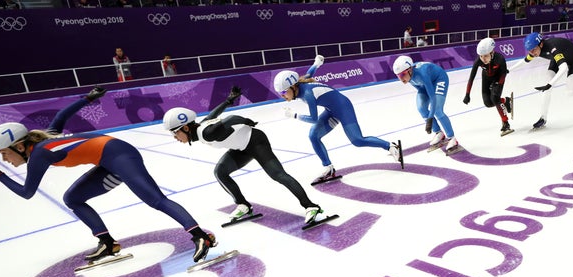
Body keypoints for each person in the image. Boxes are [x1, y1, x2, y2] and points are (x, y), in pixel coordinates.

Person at [0, 86, 217, 264]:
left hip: (120, 155)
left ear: (19, 146)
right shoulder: (44, 139)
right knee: (73, 199)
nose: (5, 160)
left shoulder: (39, 153)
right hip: (108, 160)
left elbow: (27, 192)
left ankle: (200, 236)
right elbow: (60, 118)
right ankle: (108, 243)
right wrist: (86, 99)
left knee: (156, 199)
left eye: (4, 153)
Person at [163, 87, 325, 225]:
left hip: (255, 142)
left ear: (185, 127)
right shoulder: (201, 128)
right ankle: (243, 205)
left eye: (174, 132)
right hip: (240, 147)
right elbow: (213, 115)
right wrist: (228, 101)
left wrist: (246, 120)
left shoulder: (207, 133)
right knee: (220, 172)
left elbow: (231, 118)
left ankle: (310, 206)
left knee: (277, 174)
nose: (175, 137)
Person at [273, 55, 402, 184]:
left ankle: (391, 146)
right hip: (331, 111)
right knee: (313, 135)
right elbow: (309, 73)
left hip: (343, 108)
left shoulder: (308, 94)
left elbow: (313, 119)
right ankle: (328, 168)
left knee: (357, 140)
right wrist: (317, 63)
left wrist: (294, 115)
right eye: (280, 94)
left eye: (284, 92)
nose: (283, 96)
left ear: (293, 86)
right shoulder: (300, 83)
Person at [511, 32, 573, 130]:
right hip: (557, 59)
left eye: (533, 50)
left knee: (570, 92)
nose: (532, 53)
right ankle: (543, 118)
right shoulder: (535, 50)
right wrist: (508, 70)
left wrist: (550, 84)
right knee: (546, 90)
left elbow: (563, 68)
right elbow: (525, 60)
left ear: (541, 44)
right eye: (529, 51)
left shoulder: (552, 48)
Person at [392, 55, 460, 151]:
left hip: (439, 79)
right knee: (421, 108)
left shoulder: (422, 74)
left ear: (410, 70)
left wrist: (430, 119)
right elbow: (419, 88)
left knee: (437, 110)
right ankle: (438, 133)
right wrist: (429, 119)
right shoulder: (409, 76)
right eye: (398, 76)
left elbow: (433, 99)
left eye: (402, 75)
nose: (400, 78)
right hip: (425, 84)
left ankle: (452, 138)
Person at [463, 37, 514, 136]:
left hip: (498, 78)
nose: (483, 59)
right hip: (486, 78)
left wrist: (499, 85)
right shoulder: (479, 60)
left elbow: (503, 74)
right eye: (481, 56)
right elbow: (471, 77)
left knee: (495, 97)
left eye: (485, 56)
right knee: (488, 103)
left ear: (492, 52)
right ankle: (505, 101)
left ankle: (505, 123)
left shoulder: (500, 58)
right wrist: (467, 94)